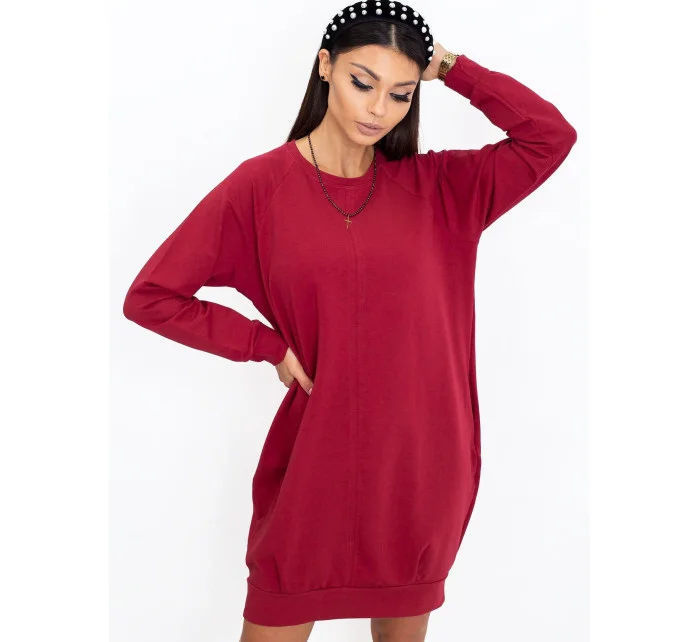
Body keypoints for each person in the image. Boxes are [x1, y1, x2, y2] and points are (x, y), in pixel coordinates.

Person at [122, 2, 577, 641]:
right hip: (318, 461)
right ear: (325, 66)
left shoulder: (443, 188)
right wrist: (265, 345)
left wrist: (451, 66)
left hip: (419, 463)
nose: (378, 109)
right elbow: (152, 296)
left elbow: (550, 137)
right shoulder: (260, 188)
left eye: (401, 93)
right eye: (363, 83)